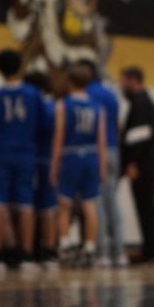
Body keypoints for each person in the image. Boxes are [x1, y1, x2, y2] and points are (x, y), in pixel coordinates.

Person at [0, 49, 44, 274]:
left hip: (2, 153)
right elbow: (42, 125)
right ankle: (27, 256)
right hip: (27, 152)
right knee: (26, 204)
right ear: (20, 66)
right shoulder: (34, 94)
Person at [50, 64, 106, 267]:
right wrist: (102, 167)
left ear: (68, 81)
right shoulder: (97, 107)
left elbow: (59, 137)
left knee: (64, 205)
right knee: (89, 205)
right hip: (91, 156)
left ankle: (64, 245)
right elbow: (101, 140)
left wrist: (54, 165)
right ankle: (90, 248)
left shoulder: (63, 105)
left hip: (71, 155)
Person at [79, 59, 128, 268]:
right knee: (112, 203)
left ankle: (102, 253)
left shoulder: (85, 94)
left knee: (95, 203)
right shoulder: (110, 93)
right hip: (113, 150)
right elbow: (117, 125)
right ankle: (120, 252)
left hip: (95, 150)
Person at [120, 66, 154, 263]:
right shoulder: (146, 102)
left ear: (133, 80)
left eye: (123, 81)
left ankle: (151, 251)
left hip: (143, 166)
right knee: (148, 208)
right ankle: (151, 249)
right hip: (150, 165)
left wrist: (132, 162)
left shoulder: (140, 102)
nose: (121, 86)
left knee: (146, 208)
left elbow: (138, 136)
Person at [24, 70, 58, 268]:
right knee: (48, 208)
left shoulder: (34, 107)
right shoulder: (53, 107)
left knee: (28, 207)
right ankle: (49, 251)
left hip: (33, 158)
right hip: (49, 159)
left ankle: (29, 251)